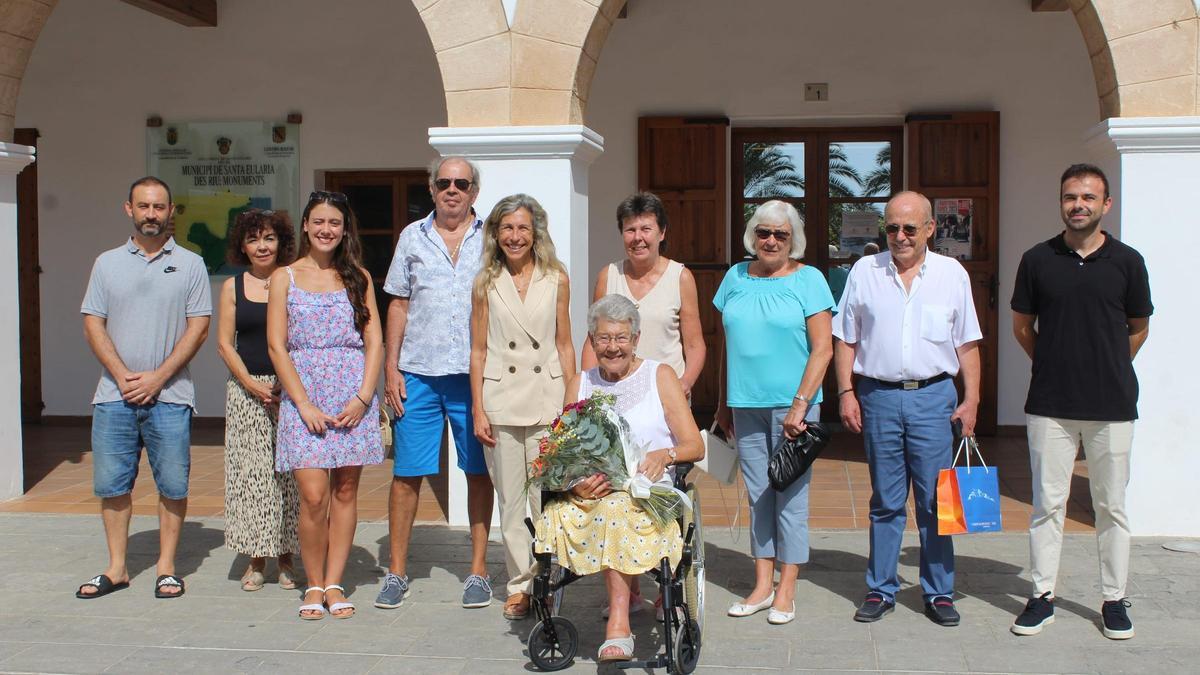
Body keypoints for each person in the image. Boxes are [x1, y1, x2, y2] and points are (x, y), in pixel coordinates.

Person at [1009, 164, 1152, 640]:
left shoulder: (1127, 262)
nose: (1079, 205)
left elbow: (1138, 327)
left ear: (1105, 205)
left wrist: (1108, 365)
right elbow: (1022, 327)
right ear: (1061, 202)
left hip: (1112, 404)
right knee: (1048, 505)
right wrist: (1053, 362)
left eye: (1089, 197)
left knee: (1111, 505)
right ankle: (1041, 596)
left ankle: (1114, 599)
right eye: (1071, 197)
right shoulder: (1037, 259)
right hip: (1050, 403)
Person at [833, 191, 982, 626]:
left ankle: (938, 592)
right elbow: (846, 337)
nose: (899, 236)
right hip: (878, 397)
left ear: (930, 229)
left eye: (909, 228)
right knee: (886, 500)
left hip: (935, 398)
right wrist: (846, 391)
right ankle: (881, 588)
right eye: (892, 227)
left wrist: (971, 400)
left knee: (937, 501)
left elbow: (967, 342)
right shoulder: (865, 270)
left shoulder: (952, 274)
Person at [535, 294, 704, 662]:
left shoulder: (660, 376)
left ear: (636, 339)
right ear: (592, 342)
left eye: (621, 337)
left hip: (646, 490)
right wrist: (575, 482)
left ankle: (619, 626)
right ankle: (618, 603)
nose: (613, 347)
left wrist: (666, 454)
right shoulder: (580, 383)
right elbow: (563, 452)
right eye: (604, 339)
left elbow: (695, 445)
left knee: (616, 508)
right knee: (588, 505)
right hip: (590, 493)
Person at [77, 176, 211, 600]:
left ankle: (167, 568)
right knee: (113, 485)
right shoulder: (106, 263)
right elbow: (92, 322)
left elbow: (199, 327)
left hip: (170, 396)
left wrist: (157, 377)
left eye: (159, 207)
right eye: (144, 206)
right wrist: (121, 374)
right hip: (114, 396)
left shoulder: (190, 264)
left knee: (173, 485)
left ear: (171, 212)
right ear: (128, 209)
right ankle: (116, 568)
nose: (151, 214)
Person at [375, 157, 495, 611]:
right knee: (407, 473)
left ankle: (480, 571)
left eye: (460, 183)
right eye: (443, 182)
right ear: (431, 188)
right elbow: (398, 304)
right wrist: (391, 368)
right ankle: (397, 571)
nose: (451, 189)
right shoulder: (412, 237)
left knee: (478, 473)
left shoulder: (491, 237)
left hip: (473, 377)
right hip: (418, 373)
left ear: (473, 191)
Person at [713, 200, 834, 625]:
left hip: (794, 408)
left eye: (780, 234)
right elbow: (727, 344)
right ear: (752, 236)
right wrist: (723, 402)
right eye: (763, 233)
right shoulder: (735, 277)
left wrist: (801, 405)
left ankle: (787, 587)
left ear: (792, 239)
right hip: (744, 404)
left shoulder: (810, 279)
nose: (770, 241)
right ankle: (762, 584)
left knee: (791, 497)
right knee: (759, 493)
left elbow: (823, 349)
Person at [267, 191, 384, 619]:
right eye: (319, 221)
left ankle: (334, 584)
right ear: (305, 225)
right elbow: (277, 346)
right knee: (314, 495)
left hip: (352, 395)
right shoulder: (285, 277)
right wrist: (303, 403)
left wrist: (363, 397)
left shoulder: (359, 277)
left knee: (347, 490)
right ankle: (312, 583)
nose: (326, 229)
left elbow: (374, 340)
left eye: (335, 222)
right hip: (305, 397)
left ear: (344, 229)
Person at [469, 194, 575, 620]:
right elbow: (477, 352)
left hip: (547, 398)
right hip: (500, 400)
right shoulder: (483, 282)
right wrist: (478, 408)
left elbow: (565, 343)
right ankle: (520, 586)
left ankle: (546, 581)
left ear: (536, 234)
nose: (515, 236)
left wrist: (572, 404)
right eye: (507, 228)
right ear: (496, 233)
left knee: (544, 500)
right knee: (510, 500)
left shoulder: (557, 278)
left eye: (523, 229)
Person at [215, 208, 300, 591]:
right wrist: (251, 383)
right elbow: (224, 343)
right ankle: (256, 559)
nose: (262, 246)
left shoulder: (294, 279)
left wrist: (287, 383)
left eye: (268, 238)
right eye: (253, 239)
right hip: (247, 391)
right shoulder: (233, 287)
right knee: (250, 478)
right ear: (242, 246)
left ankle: (287, 558)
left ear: (281, 242)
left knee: (290, 477)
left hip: (291, 390)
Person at [581, 192, 705, 397]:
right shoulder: (608, 276)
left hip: (666, 393)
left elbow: (694, 344)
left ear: (662, 232)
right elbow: (592, 339)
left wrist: (686, 382)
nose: (638, 238)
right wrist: (588, 386)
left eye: (646, 229)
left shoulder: (680, 277)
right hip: (614, 392)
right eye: (630, 230)